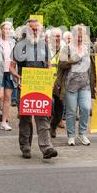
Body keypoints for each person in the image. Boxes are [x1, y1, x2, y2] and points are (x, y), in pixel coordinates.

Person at [11, 19, 58, 159]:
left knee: (43, 117)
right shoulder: (19, 46)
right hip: (25, 87)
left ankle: (47, 148)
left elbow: (49, 65)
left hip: (41, 87)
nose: (34, 31)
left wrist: (49, 80)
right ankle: (25, 146)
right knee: (25, 118)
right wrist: (18, 78)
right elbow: (11, 67)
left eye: (37, 28)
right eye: (31, 28)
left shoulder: (44, 46)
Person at [57, 25, 96, 146]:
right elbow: (61, 65)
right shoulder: (67, 48)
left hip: (85, 83)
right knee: (71, 111)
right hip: (70, 84)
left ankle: (82, 134)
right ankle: (71, 135)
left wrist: (95, 84)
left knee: (85, 108)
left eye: (82, 36)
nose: (80, 38)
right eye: (78, 36)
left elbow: (93, 68)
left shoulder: (87, 48)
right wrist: (74, 59)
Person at [48, 27, 65, 137]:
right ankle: (47, 127)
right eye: (55, 36)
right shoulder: (45, 49)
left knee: (60, 108)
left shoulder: (65, 49)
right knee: (50, 105)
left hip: (60, 83)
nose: (57, 38)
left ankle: (53, 126)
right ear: (50, 38)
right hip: (48, 82)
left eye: (59, 36)